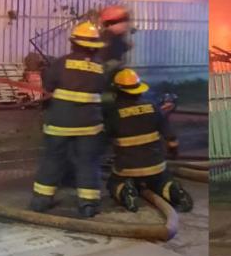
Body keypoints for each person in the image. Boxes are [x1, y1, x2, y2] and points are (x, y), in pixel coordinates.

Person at [30, 21, 107, 218]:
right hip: (89, 126)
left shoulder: (60, 63)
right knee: (87, 162)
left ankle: (41, 200)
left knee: (53, 159)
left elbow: (48, 85)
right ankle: (88, 203)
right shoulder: (101, 69)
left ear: (74, 43)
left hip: (59, 124)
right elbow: (104, 91)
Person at [105, 68, 193, 212]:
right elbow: (172, 140)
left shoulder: (113, 112)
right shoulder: (153, 107)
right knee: (161, 182)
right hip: (155, 166)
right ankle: (173, 191)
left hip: (127, 168)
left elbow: (103, 139)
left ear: (117, 92)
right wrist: (173, 153)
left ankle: (125, 191)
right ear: (139, 90)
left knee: (113, 183)